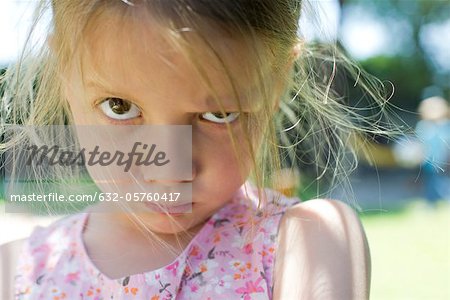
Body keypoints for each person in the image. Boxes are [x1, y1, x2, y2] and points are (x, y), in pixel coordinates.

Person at [0, 0, 380, 298]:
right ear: (67, 73)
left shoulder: (304, 243)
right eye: (120, 107)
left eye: (218, 113)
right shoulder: (18, 272)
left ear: (276, 82)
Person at [416, 96, 450, 204]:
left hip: (444, 160)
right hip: (429, 162)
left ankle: (444, 198)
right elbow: (420, 144)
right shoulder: (423, 126)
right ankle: (431, 200)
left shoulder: (446, 125)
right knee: (431, 181)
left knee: (444, 181)